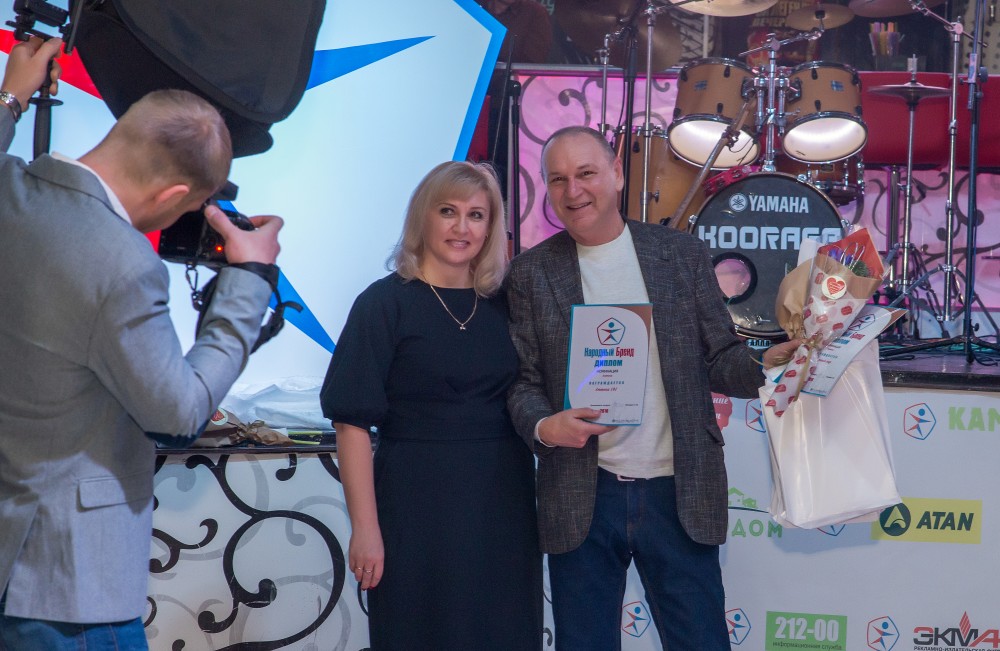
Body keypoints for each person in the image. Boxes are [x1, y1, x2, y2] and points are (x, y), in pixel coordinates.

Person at [0, 40, 283, 649]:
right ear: (172, 198)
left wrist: (11, 96)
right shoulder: (123, 265)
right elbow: (178, 413)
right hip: (69, 586)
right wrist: (250, 280)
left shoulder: (9, 188)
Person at [505, 126, 800, 650]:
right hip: (582, 492)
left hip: (676, 490)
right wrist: (546, 426)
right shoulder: (530, 273)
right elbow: (522, 382)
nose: (573, 191)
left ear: (617, 173)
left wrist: (766, 363)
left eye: (586, 173)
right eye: (558, 179)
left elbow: (721, 358)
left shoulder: (680, 254)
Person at [320, 161, 542, 651]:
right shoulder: (382, 304)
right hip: (413, 506)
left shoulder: (507, 304)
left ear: (491, 226)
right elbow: (351, 423)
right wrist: (365, 530)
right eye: (448, 211)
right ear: (423, 216)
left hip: (503, 506)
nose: (462, 227)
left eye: (476, 215)